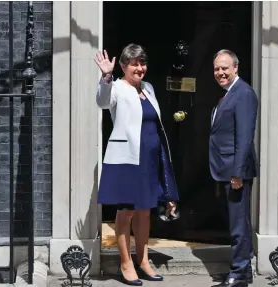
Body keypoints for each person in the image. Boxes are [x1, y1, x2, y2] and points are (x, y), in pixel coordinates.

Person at [94, 44, 179, 286]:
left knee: (145, 210)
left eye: (142, 63)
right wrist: (106, 76)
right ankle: (125, 262)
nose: (140, 68)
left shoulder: (149, 88)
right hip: (127, 158)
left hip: (150, 159)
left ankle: (143, 260)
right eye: (134, 64)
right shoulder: (117, 88)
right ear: (123, 66)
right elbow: (101, 101)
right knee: (127, 211)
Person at [209, 49, 258, 287]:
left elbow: (245, 137)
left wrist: (237, 173)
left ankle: (239, 273)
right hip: (226, 168)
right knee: (237, 223)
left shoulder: (244, 93)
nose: (220, 73)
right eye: (217, 68)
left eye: (225, 68)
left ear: (236, 67)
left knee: (238, 226)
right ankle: (243, 270)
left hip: (235, 171)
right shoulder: (229, 93)